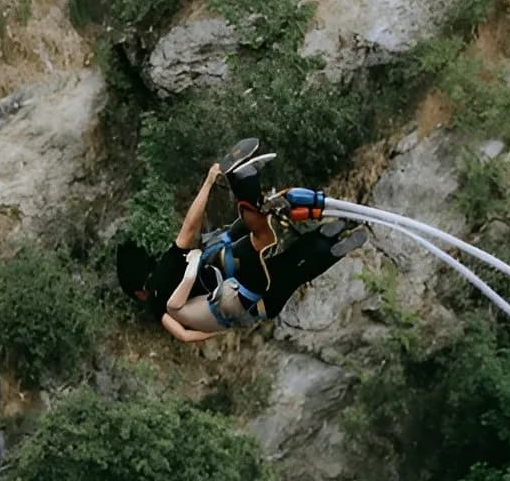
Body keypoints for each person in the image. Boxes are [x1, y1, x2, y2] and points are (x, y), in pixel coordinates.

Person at [117, 139, 366, 343]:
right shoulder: (167, 265)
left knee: (291, 270)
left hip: (250, 300)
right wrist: (209, 181)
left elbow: (183, 335)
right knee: (267, 245)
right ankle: (254, 191)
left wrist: (221, 330)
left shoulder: (158, 306)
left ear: (139, 292)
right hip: (228, 266)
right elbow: (189, 228)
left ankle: (331, 247)